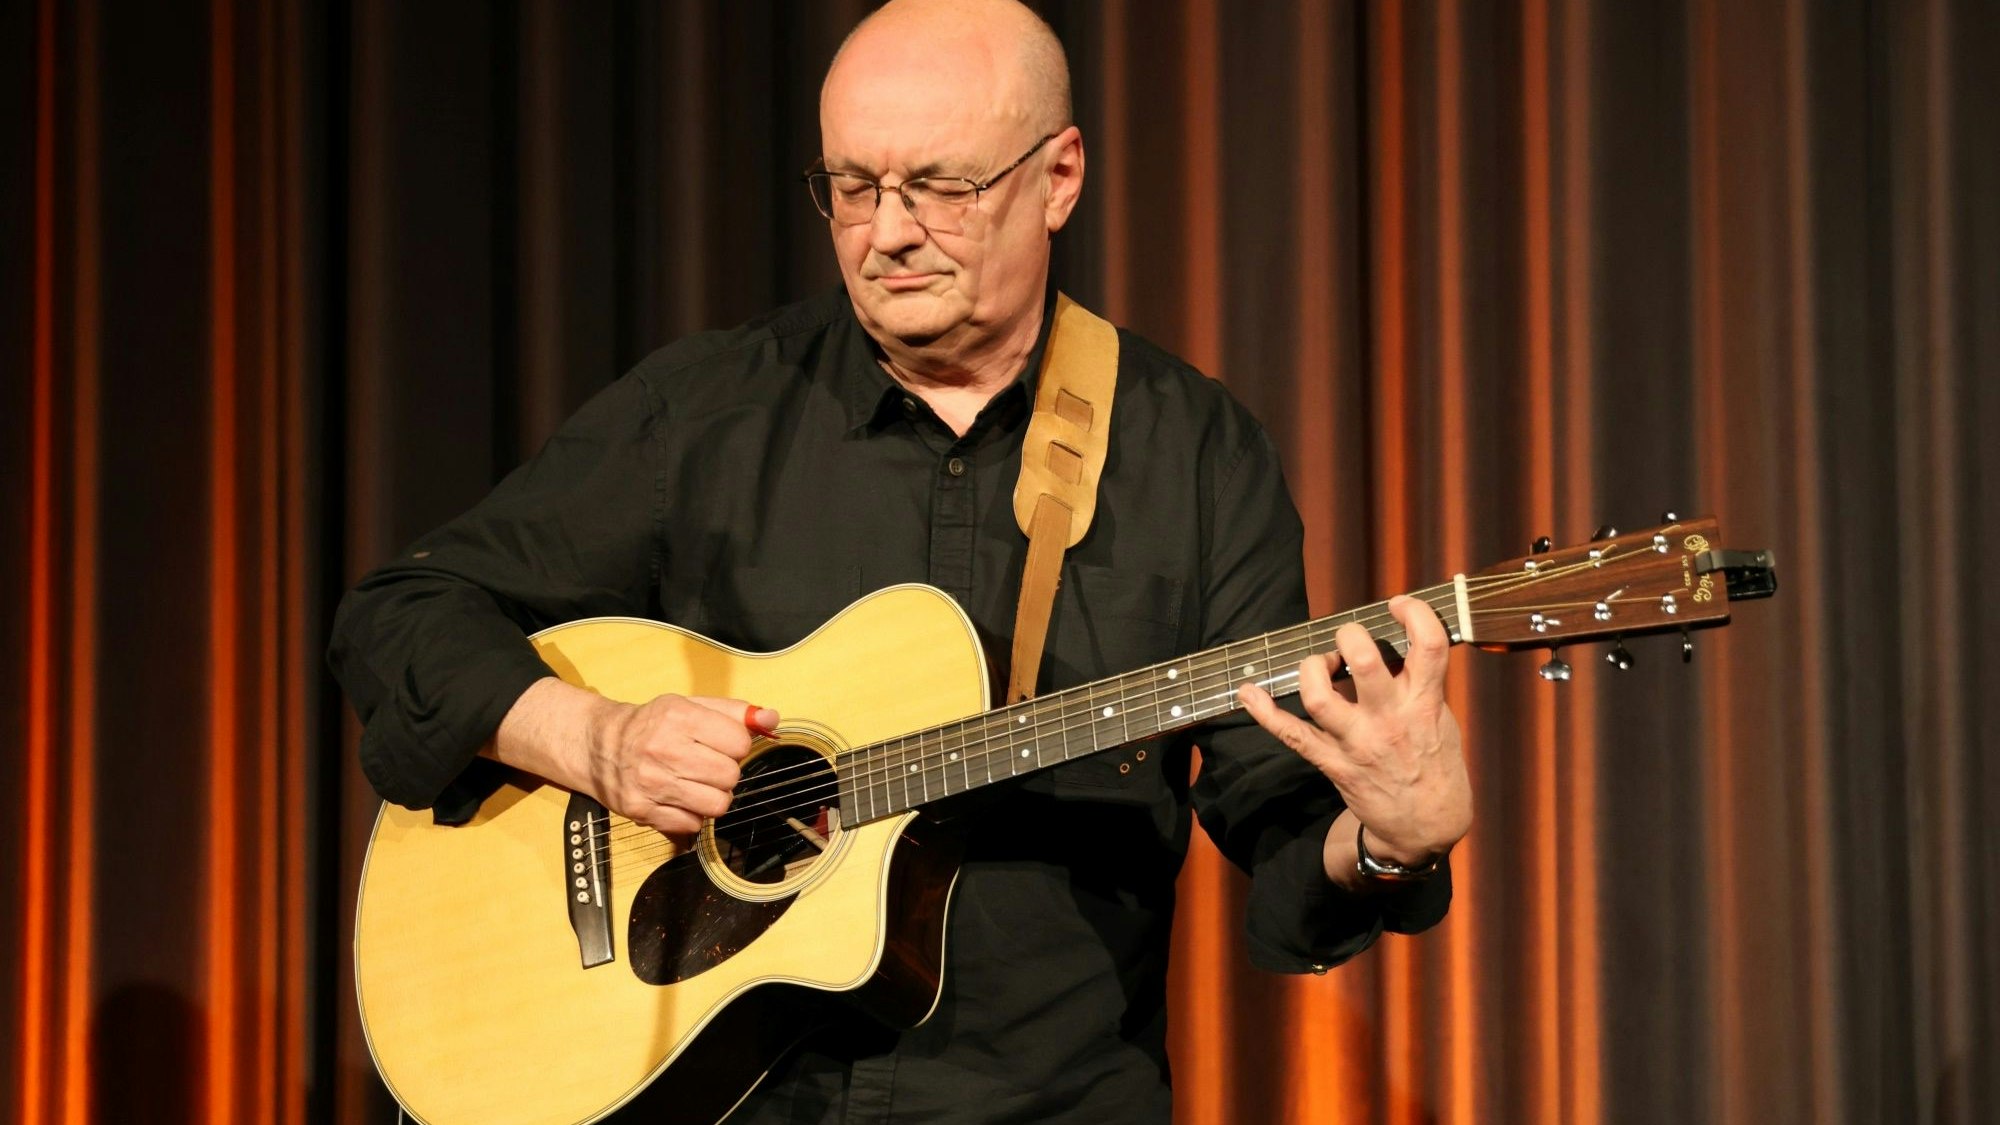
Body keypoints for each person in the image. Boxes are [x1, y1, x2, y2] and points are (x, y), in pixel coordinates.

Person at [328, 0, 1473, 1120]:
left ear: (1058, 176)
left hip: (1047, 1100)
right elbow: (399, 616)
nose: (885, 233)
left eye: (939, 186)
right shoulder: (705, 411)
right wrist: (595, 739)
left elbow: (1282, 862)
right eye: (851, 186)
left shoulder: (1192, 455)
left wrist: (1385, 841)